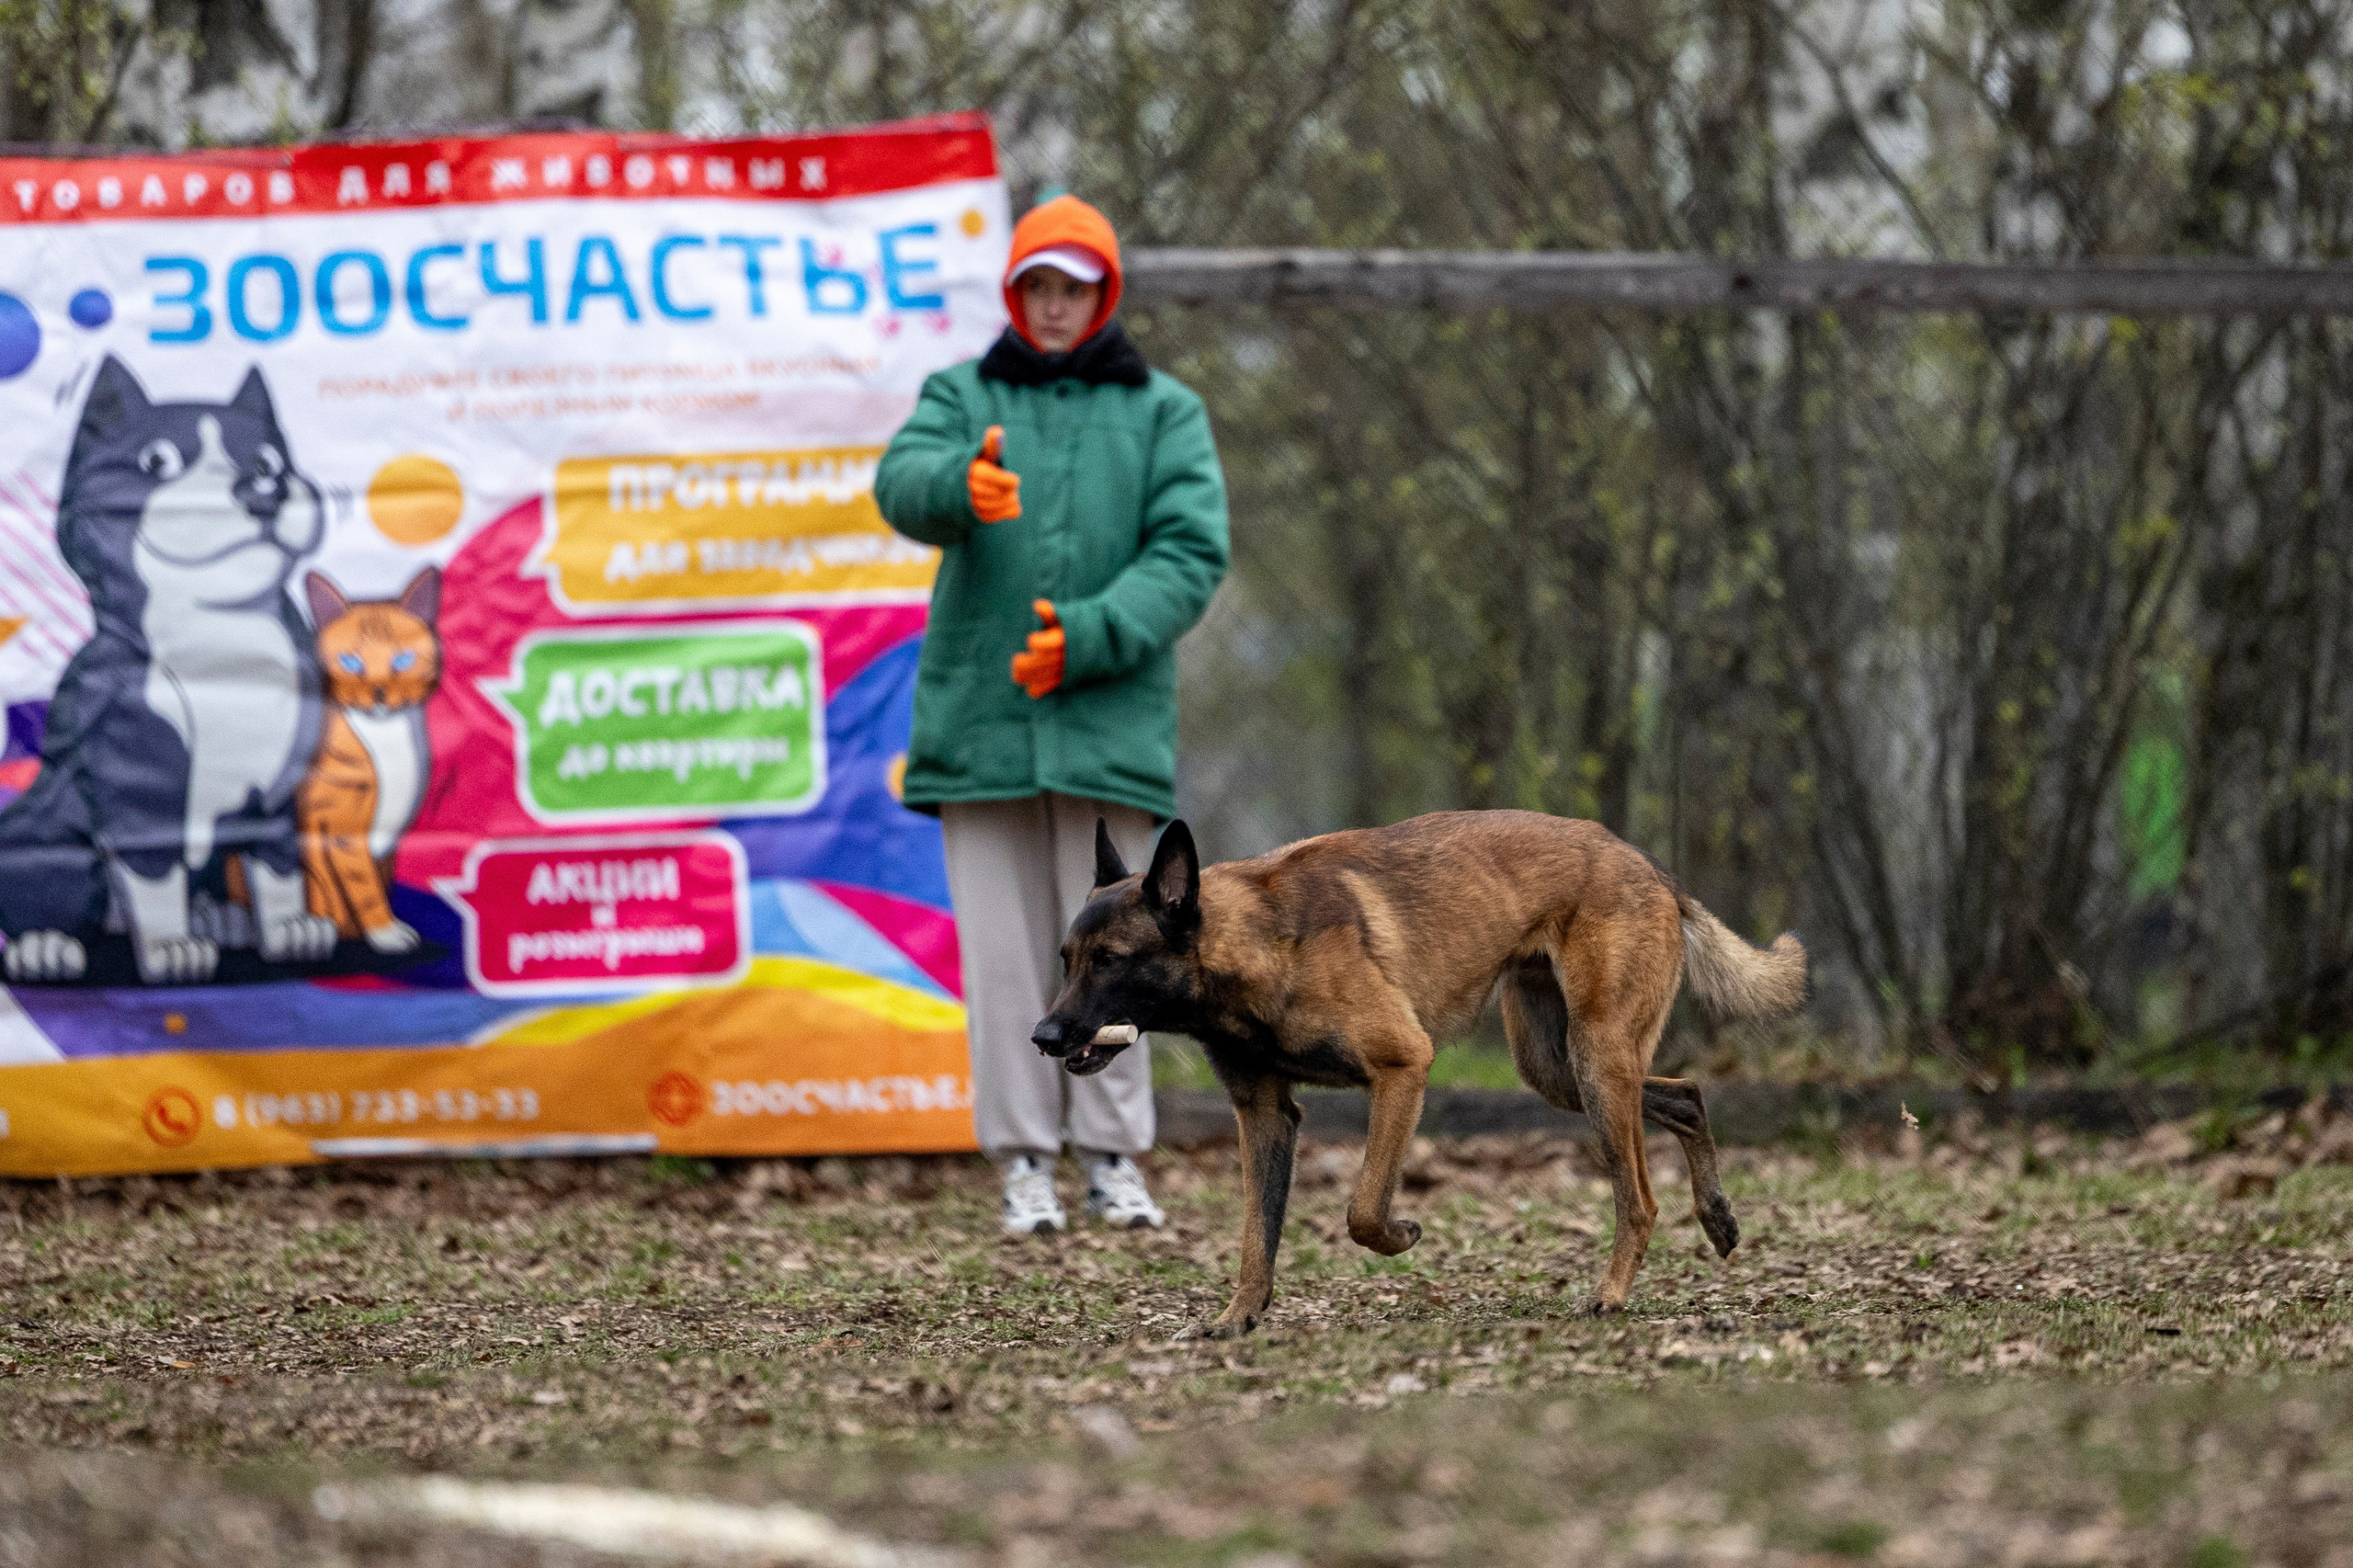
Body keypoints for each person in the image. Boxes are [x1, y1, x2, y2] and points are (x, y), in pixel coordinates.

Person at [875, 195, 1230, 1235]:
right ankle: (1025, 1163)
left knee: (1117, 956)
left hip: (1104, 729)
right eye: (1038, 283)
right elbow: (899, 484)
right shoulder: (960, 392)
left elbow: (1189, 554)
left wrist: (1090, 634)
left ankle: (1113, 1160)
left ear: (1102, 292)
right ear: (1016, 292)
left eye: (1073, 284)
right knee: (1001, 958)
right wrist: (957, 481)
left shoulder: (1164, 411)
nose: (1056, 302)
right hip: (979, 734)